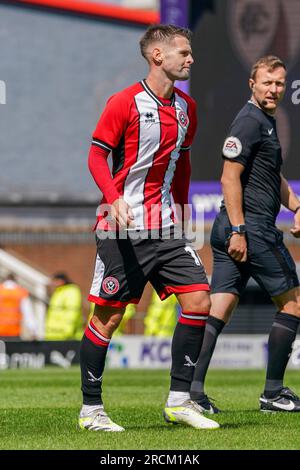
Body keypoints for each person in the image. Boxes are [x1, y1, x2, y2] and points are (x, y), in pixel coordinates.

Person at [78, 24, 219, 432]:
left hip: (167, 227)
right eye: (184, 53)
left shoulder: (187, 109)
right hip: (121, 228)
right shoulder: (123, 102)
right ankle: (91, 410)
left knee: (199, 301)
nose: (191, 59)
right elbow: (95, 157)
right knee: (107, 319)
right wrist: (114, 197)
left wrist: (186, 209)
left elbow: (183, 166)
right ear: (158, 56)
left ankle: (179, 401)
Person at [190, 55, 300, 413]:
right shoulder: (250, 121)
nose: (274, 89)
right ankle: (273, 392)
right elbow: (228, 177)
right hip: (249, 229)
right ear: (252, 84)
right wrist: (240, 230)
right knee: (293, 305)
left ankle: (191, 392)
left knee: (218, 308)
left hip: (236, 229)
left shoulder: (265, 122)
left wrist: (296, 206)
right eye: (267, 82)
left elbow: (273, 177)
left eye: (280, 83)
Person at [45, 273, 83, 340]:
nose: (53, 283)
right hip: (54, 335)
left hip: (66, 336)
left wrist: (68, 331)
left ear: (61, 281)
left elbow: (72, 312)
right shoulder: (58, 292)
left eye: (55, 281)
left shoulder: (71, 291)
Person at [0, 273, 38, 340]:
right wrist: (33, 332)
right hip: (14, 332)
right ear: (16, 280)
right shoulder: (21, 292)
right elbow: (28, 314)